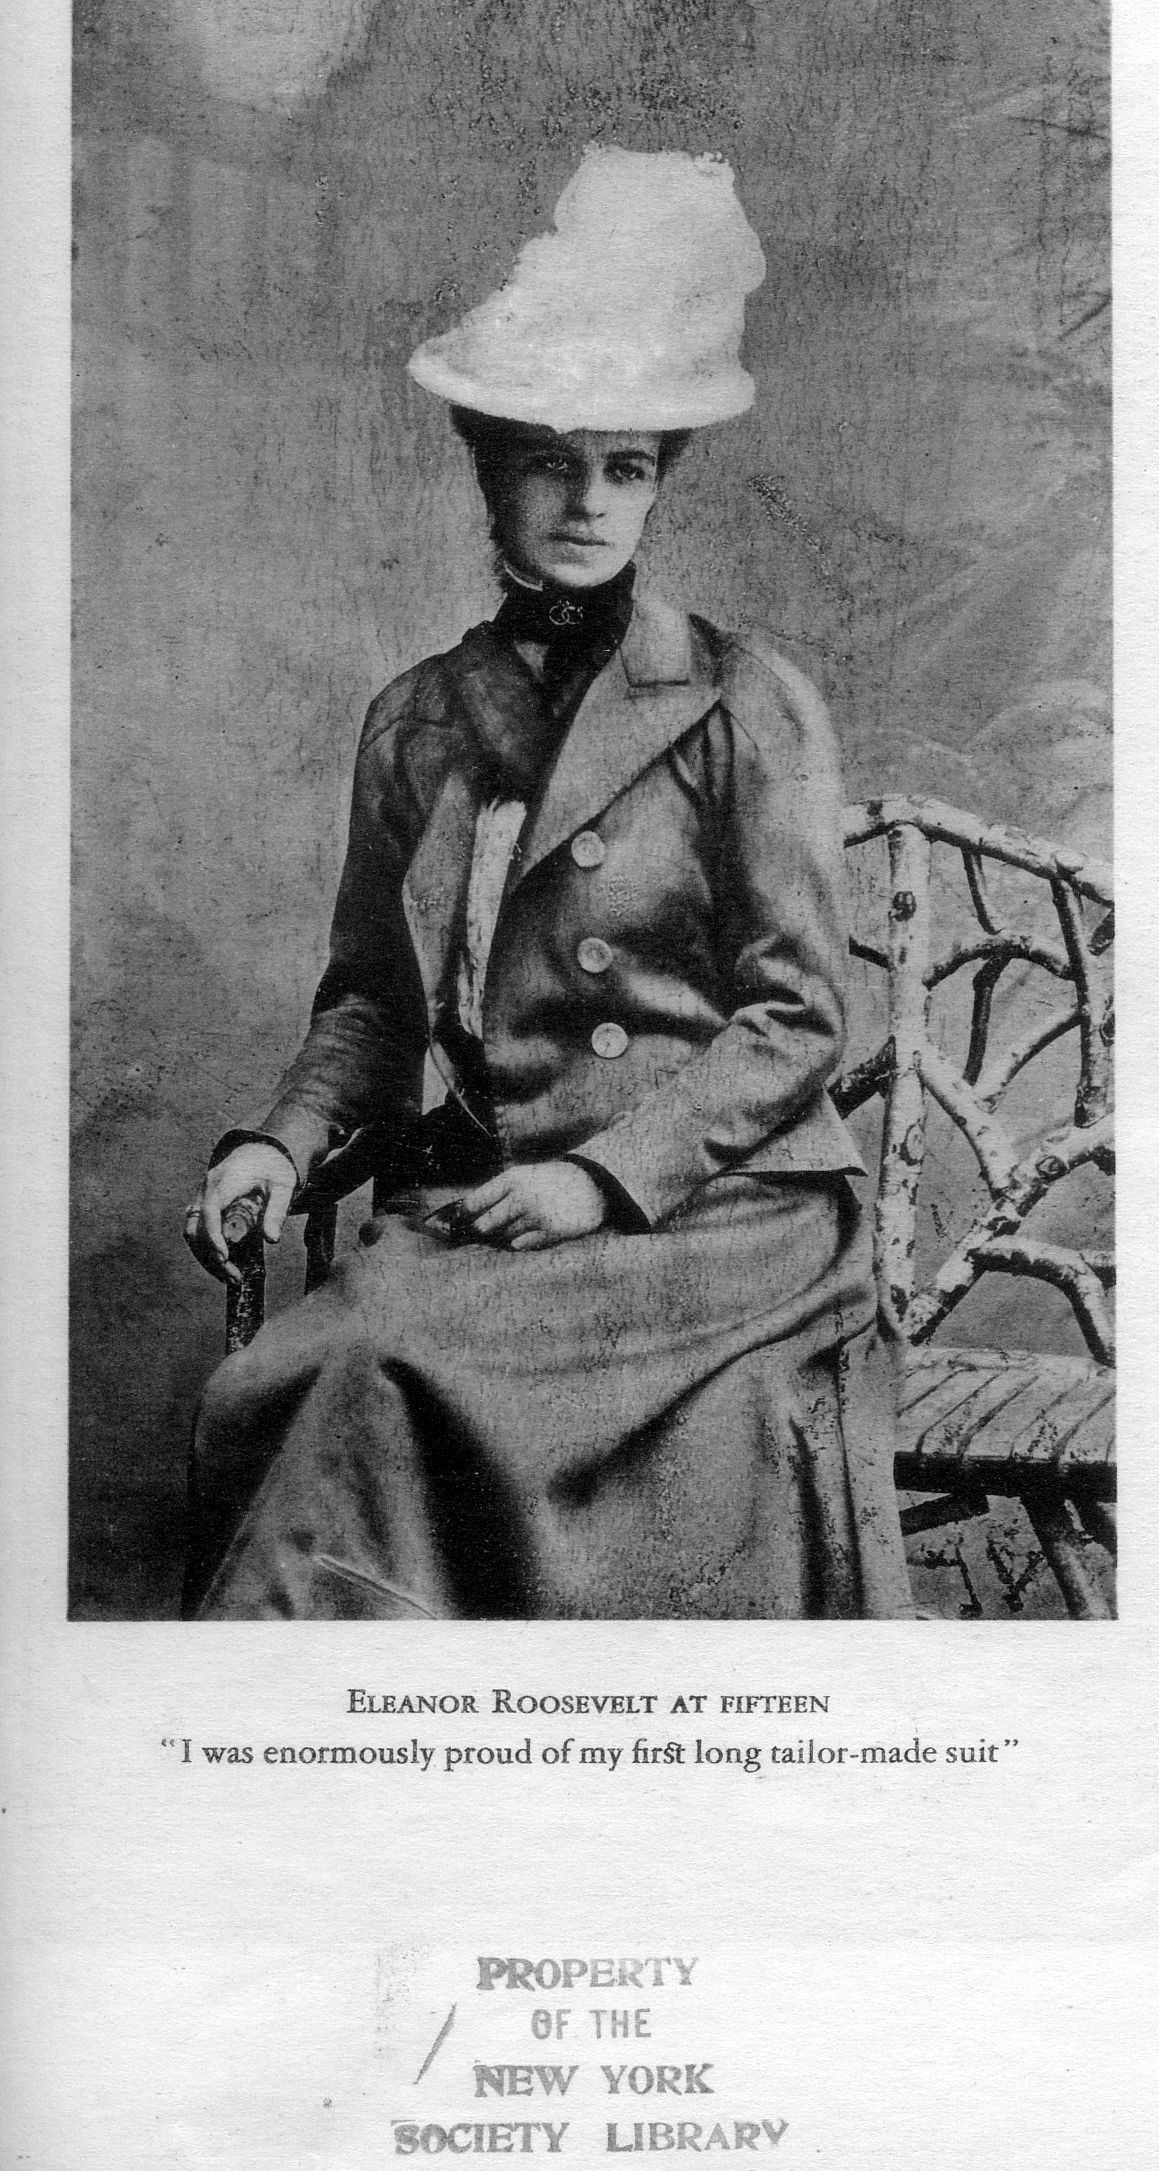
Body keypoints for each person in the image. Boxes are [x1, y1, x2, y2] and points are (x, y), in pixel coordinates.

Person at [182, 148, 913, 1620]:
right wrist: (278, 1140)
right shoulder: (417, 721)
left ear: (658, 486)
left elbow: (798, 1016)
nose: (588, 504)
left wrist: (602, 1179)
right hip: (492, 1200)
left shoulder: (743, 703)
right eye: (551, 463)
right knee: (299, 1381)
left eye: (625, 468)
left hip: (715, 1213)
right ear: (490, 474)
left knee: (387, 1377)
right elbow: (370, 1006)